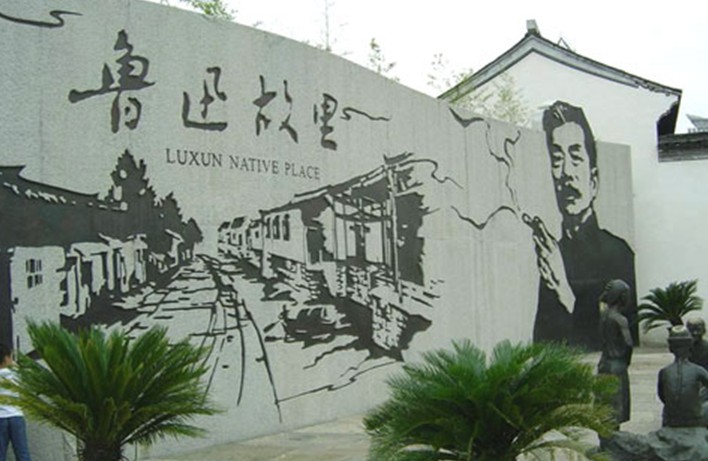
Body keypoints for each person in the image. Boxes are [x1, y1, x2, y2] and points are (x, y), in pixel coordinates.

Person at [528, 100, 637, 351]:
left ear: (594, 180)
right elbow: (543, 341)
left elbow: (615, 339)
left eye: (576, 157)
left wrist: (563, 291)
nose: (566, 172)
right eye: (557, 159)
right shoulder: (551, 255)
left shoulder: (618, 253)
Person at [597, 279, 633, 426]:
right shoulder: (620, 319)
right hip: (617, 365)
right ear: (622, 296)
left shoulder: (604, 316)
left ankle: (606, 434)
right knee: (616, 407)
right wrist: (626, 362)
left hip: (603, 363)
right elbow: (628, 343)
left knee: (605, 405)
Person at [658, 325, 708, 427]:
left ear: (670, 348)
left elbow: (662, 396)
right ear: (690, 346)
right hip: (694, 418)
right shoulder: (698, 371)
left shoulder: (664, 371)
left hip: (671, 418)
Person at [0, 343, 32, 461]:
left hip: (0, 417)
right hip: (16, 416)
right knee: (23, 454)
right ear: (6, 358)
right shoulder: (17, 373)